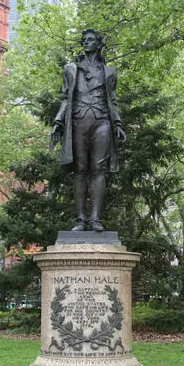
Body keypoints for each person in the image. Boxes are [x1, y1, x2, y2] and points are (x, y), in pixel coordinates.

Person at [51, 28, 126, 232]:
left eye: (90, 40)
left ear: (99, 44)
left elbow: (112, 100)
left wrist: (118, 124)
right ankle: (81, 220)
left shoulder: (110, 71)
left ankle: (95, 219)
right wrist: (58, 122)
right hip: (78, 121)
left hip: (102, 121)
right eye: (84, 40)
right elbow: (66, 98)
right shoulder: (71, 69)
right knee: (81, 169)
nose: (86, 42)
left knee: (99, 169)